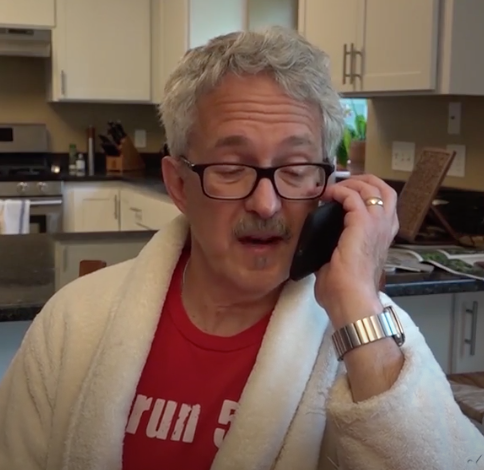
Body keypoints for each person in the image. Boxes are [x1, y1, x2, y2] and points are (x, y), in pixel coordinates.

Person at [0, 26, 482, 470]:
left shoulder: (369, 334)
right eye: (231, 168)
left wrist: (357, 301)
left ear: (328, 184)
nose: (266, 202)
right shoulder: (73, 323)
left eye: (296, 169)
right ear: (179, 185)